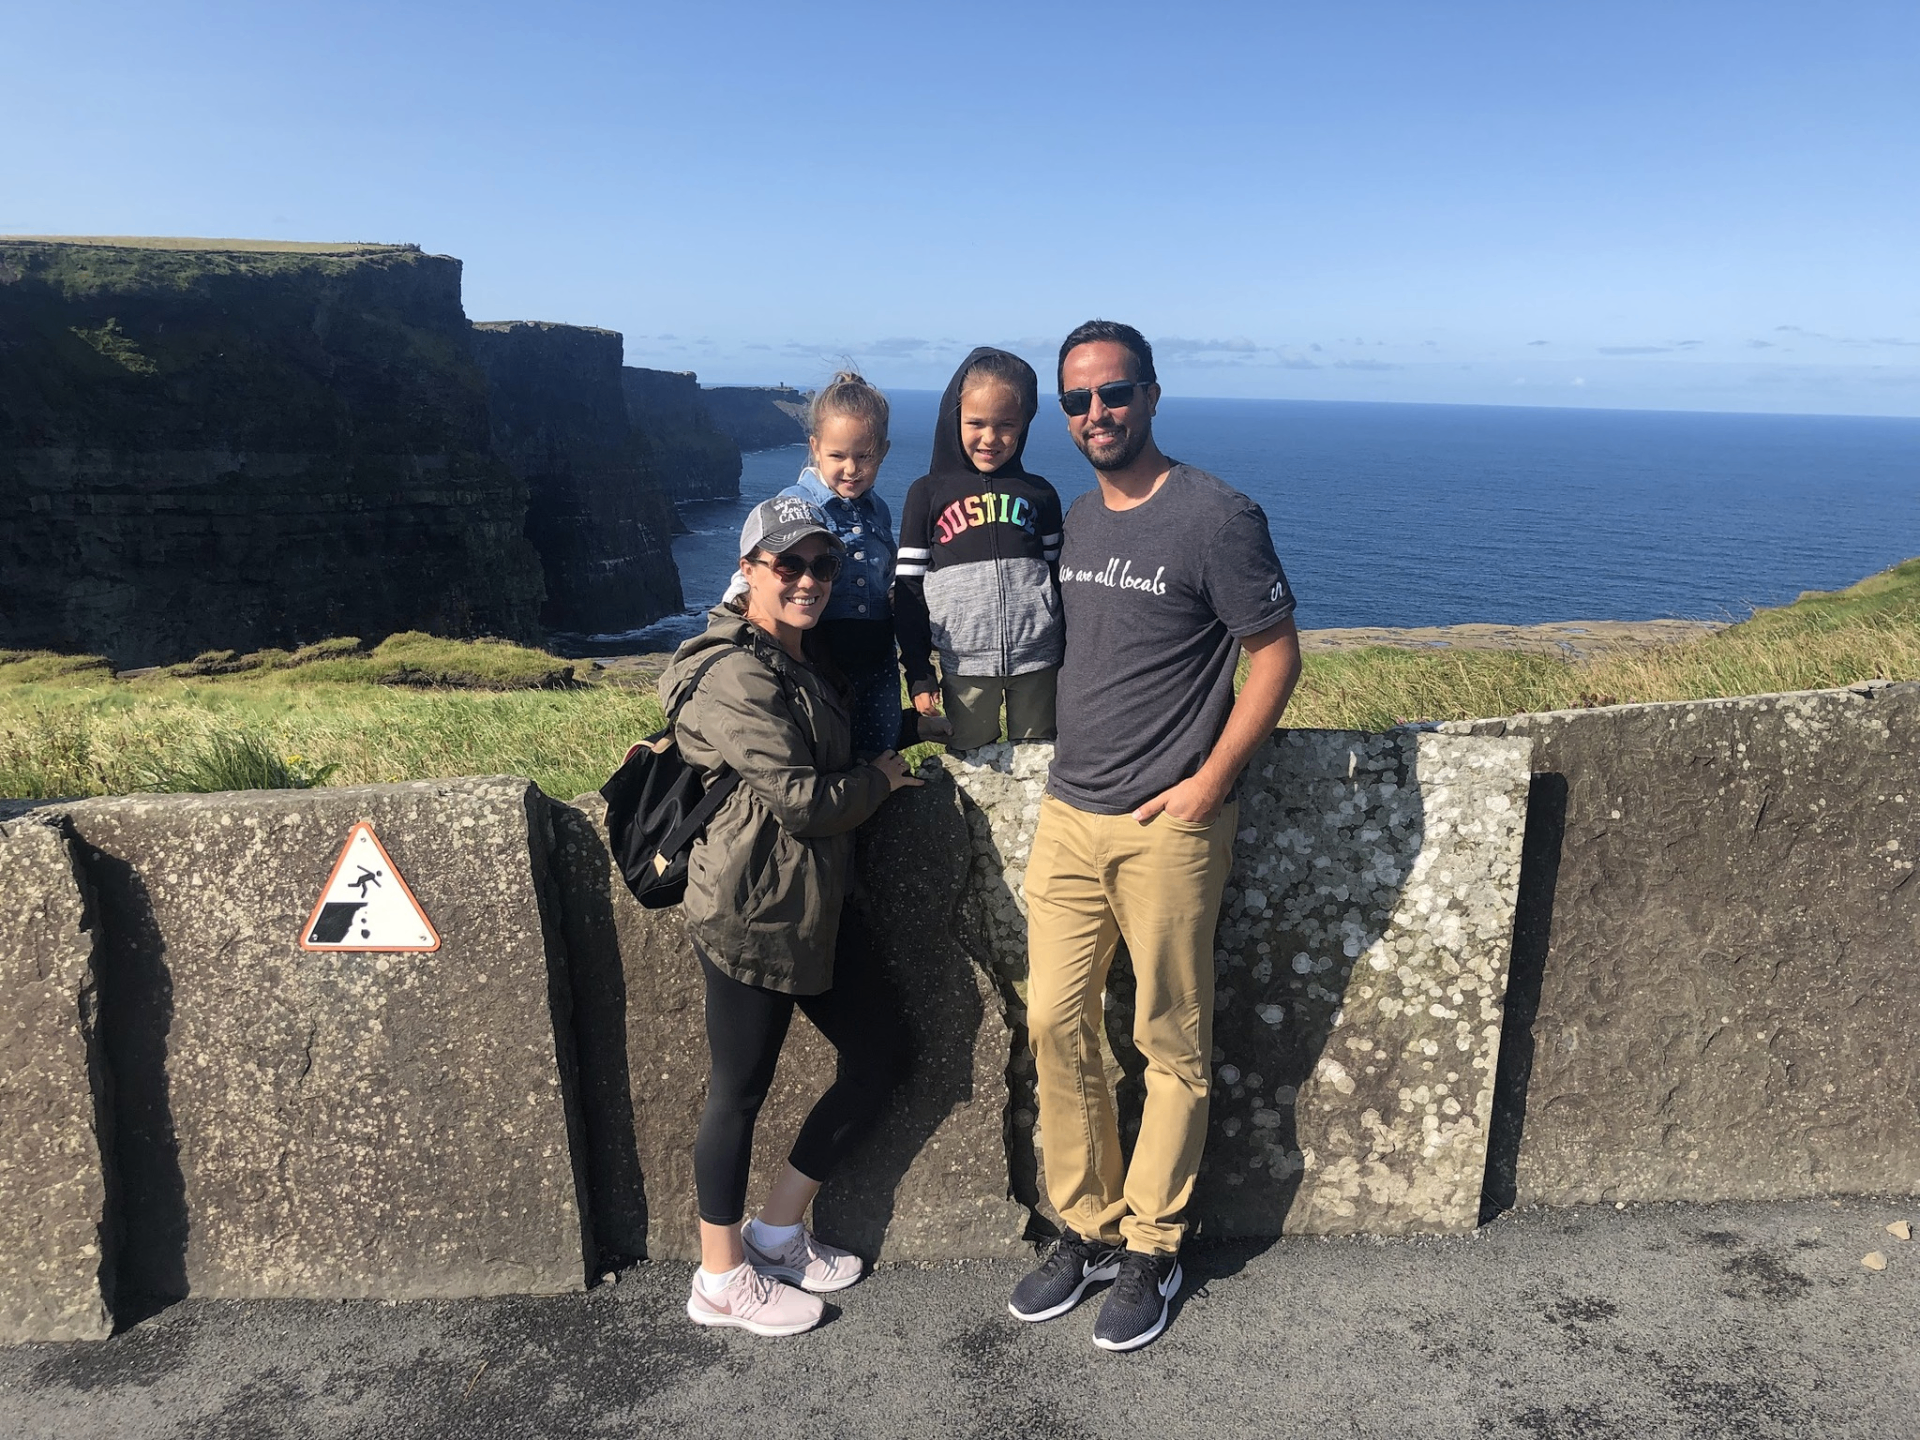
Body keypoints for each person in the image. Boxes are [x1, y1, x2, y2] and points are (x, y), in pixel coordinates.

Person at [1008, 321, 1302, 1351]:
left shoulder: (1217, 516)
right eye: (1078, 401)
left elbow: (1274, 655)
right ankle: (1083, 1227)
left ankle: (1154, 1247)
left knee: (1168, 1039)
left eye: (1114, 394)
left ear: (1153, 394)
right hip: (1068, 815)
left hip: (1166, 826)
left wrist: (1211, 781)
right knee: (1054, 1023)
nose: (1097, 415)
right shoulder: (1080, 522)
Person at [660, 494, 924, 1337]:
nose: (808, 580)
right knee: (737, 1091)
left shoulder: (794, 657)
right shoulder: (737, 669)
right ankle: (719, 1278)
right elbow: (805, 802)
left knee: (882, 1053)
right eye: (788, 565)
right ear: (748, 572)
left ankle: (776, 1231)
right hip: (751, 907)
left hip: (813, 902)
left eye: (822, 566)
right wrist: (881, 781)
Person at [894, 348, 1065, 751]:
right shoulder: (927, 494)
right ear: (954, 420)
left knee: (1040, 762)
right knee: (972, 761)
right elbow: (908, 590)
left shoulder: (1040, 494)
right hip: (964, 663)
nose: (990, 438)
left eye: (1006, 424)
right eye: (976, 423)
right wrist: (918, 671)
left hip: (1040, 660)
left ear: (1024, 424)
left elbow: (1060, 581)